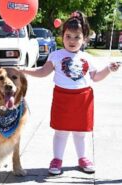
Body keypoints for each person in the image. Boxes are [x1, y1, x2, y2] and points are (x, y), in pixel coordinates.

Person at [19, 11, 121, 175]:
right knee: (61, 131)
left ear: (85, 38)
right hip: (62, 98)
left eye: (77, 37)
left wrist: (108, 69)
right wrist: (25, 71)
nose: (72, 41)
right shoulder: (56, 55)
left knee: (81, 132)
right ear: (62, 36)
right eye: (68, 36)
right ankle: (57, 159)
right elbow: (43, 72)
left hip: (83, 99)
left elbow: (95, 77)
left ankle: (83, 157)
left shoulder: (87, 57)